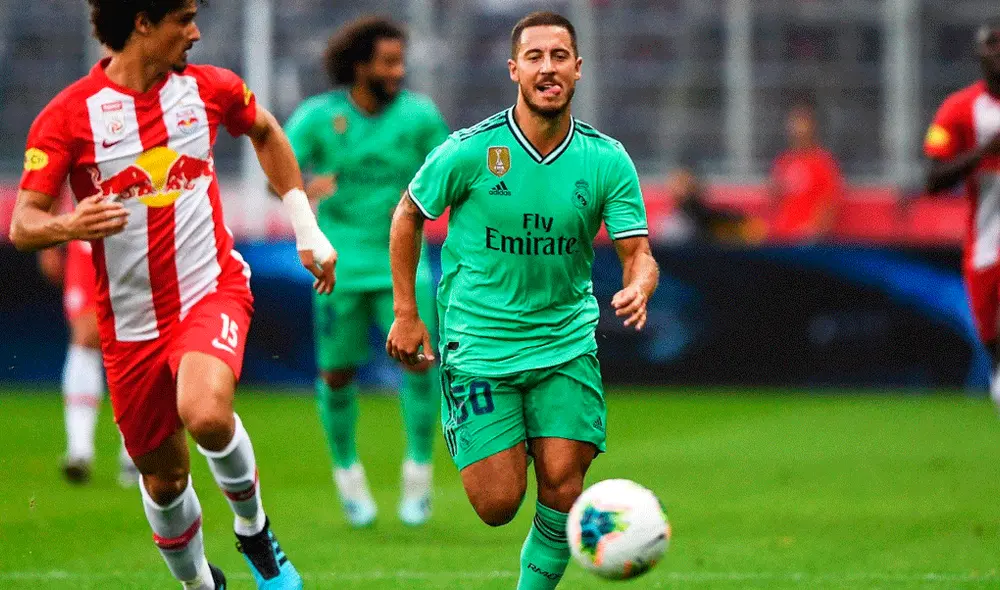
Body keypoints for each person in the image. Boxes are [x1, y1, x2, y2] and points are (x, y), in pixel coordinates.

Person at [9, 1, 336, 588]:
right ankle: (199, 584)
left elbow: (265, 130)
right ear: (141, 22)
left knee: (207, 414)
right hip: (130, 322)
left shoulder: (209, 89)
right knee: (163, 481)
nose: (196, 32)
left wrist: (306, 230)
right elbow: (24, 223)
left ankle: (255, 532)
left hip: (210, 289)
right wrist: (69, 225)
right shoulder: (68, 116)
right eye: (183, 18)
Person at [385, 11, 659, 589]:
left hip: (565, 343)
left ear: (578, 70)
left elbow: (638, 251)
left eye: (559, 56)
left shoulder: (606, 160)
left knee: (563, 484)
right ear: (515, 70)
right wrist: (408, 313)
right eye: (534, 57)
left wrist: (638, 283)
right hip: (481, 344)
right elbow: (408, 214)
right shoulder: (470, 152)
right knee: (497, 503)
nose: (548, 68)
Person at [283, 16, 448, 528]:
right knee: (337, 374)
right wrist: (304, 195)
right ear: (359, 66)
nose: (398, 71)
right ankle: (348, 478)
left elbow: (451, 173)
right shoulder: (318, 117)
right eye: (388, 62)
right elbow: (279, 171)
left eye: (401, 61)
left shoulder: (419, 117)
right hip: (338, 268)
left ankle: (418, 477)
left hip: (403, 266)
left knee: (421, 362)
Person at [925, 19, 1000, 403]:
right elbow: (933, 180)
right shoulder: (958, 109)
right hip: (986, 247)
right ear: (978, 54)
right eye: (992, 44)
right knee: (993, 348)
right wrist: (983, 153)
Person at [38, 239, 139, 487]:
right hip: (87, 239)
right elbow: (49, 199)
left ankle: (136, 451)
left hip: (136, 239)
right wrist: (48, 246)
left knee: (134, 340)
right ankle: (79, 450)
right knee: (85, 335)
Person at [769, 102, 844, 242]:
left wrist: (812, 232)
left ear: (812, 126)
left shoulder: (823, 162)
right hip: (781, 236)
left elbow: (831, 203)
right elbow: (776, 199)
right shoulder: (784, 161)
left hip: (807, 240)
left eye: (802, 122)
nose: (797, 127)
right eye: (794, 122)